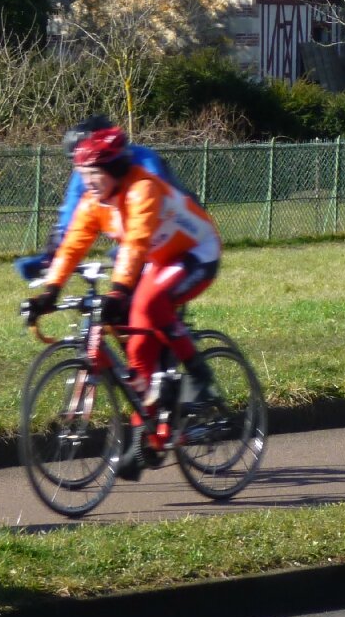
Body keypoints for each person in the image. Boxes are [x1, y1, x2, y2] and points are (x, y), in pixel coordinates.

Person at [27, 122, 222, 476]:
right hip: (158, 259)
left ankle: (198, 375)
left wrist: (119, 291)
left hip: (195, 252)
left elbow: (135, 243)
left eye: (93, 174)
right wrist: (49, 292)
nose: (87, 183)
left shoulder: (142, 189)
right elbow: (72, 246)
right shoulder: (95, 201)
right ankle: (148, 433)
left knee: (148, 304)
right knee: (135, 350)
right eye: (82, 174)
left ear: (114, 169)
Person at [14, 117, 179, 282]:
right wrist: (50, 256)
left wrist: (131, 250)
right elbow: (70, 214)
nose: (84, 170)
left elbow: (157, 207)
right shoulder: (84, 172)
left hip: (166, 232)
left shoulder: (144, 159)